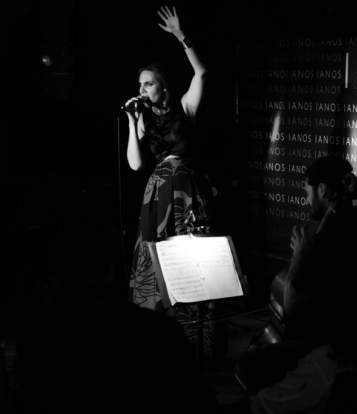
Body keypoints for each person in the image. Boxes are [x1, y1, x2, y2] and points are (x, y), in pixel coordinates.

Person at [234, 156, 357, 414]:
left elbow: (292, 310)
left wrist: (300, 256)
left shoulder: (327, 239)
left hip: (337, 350)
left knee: (252, 368)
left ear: (322, 190)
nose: (306, 199)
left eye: (307, 191)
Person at [124, 6, 216, 364]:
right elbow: (135, 164)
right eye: (139, 84)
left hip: (186, 191)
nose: (142, 89)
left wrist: (181, 36)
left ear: (162, 85)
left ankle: (195, 337)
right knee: (155, 257)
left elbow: (202, 72)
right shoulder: (143, 118)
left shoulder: (184, 106)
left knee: (190, 259)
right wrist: (132, 123)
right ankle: (157, 339)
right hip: (158, 192)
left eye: (147, 83)